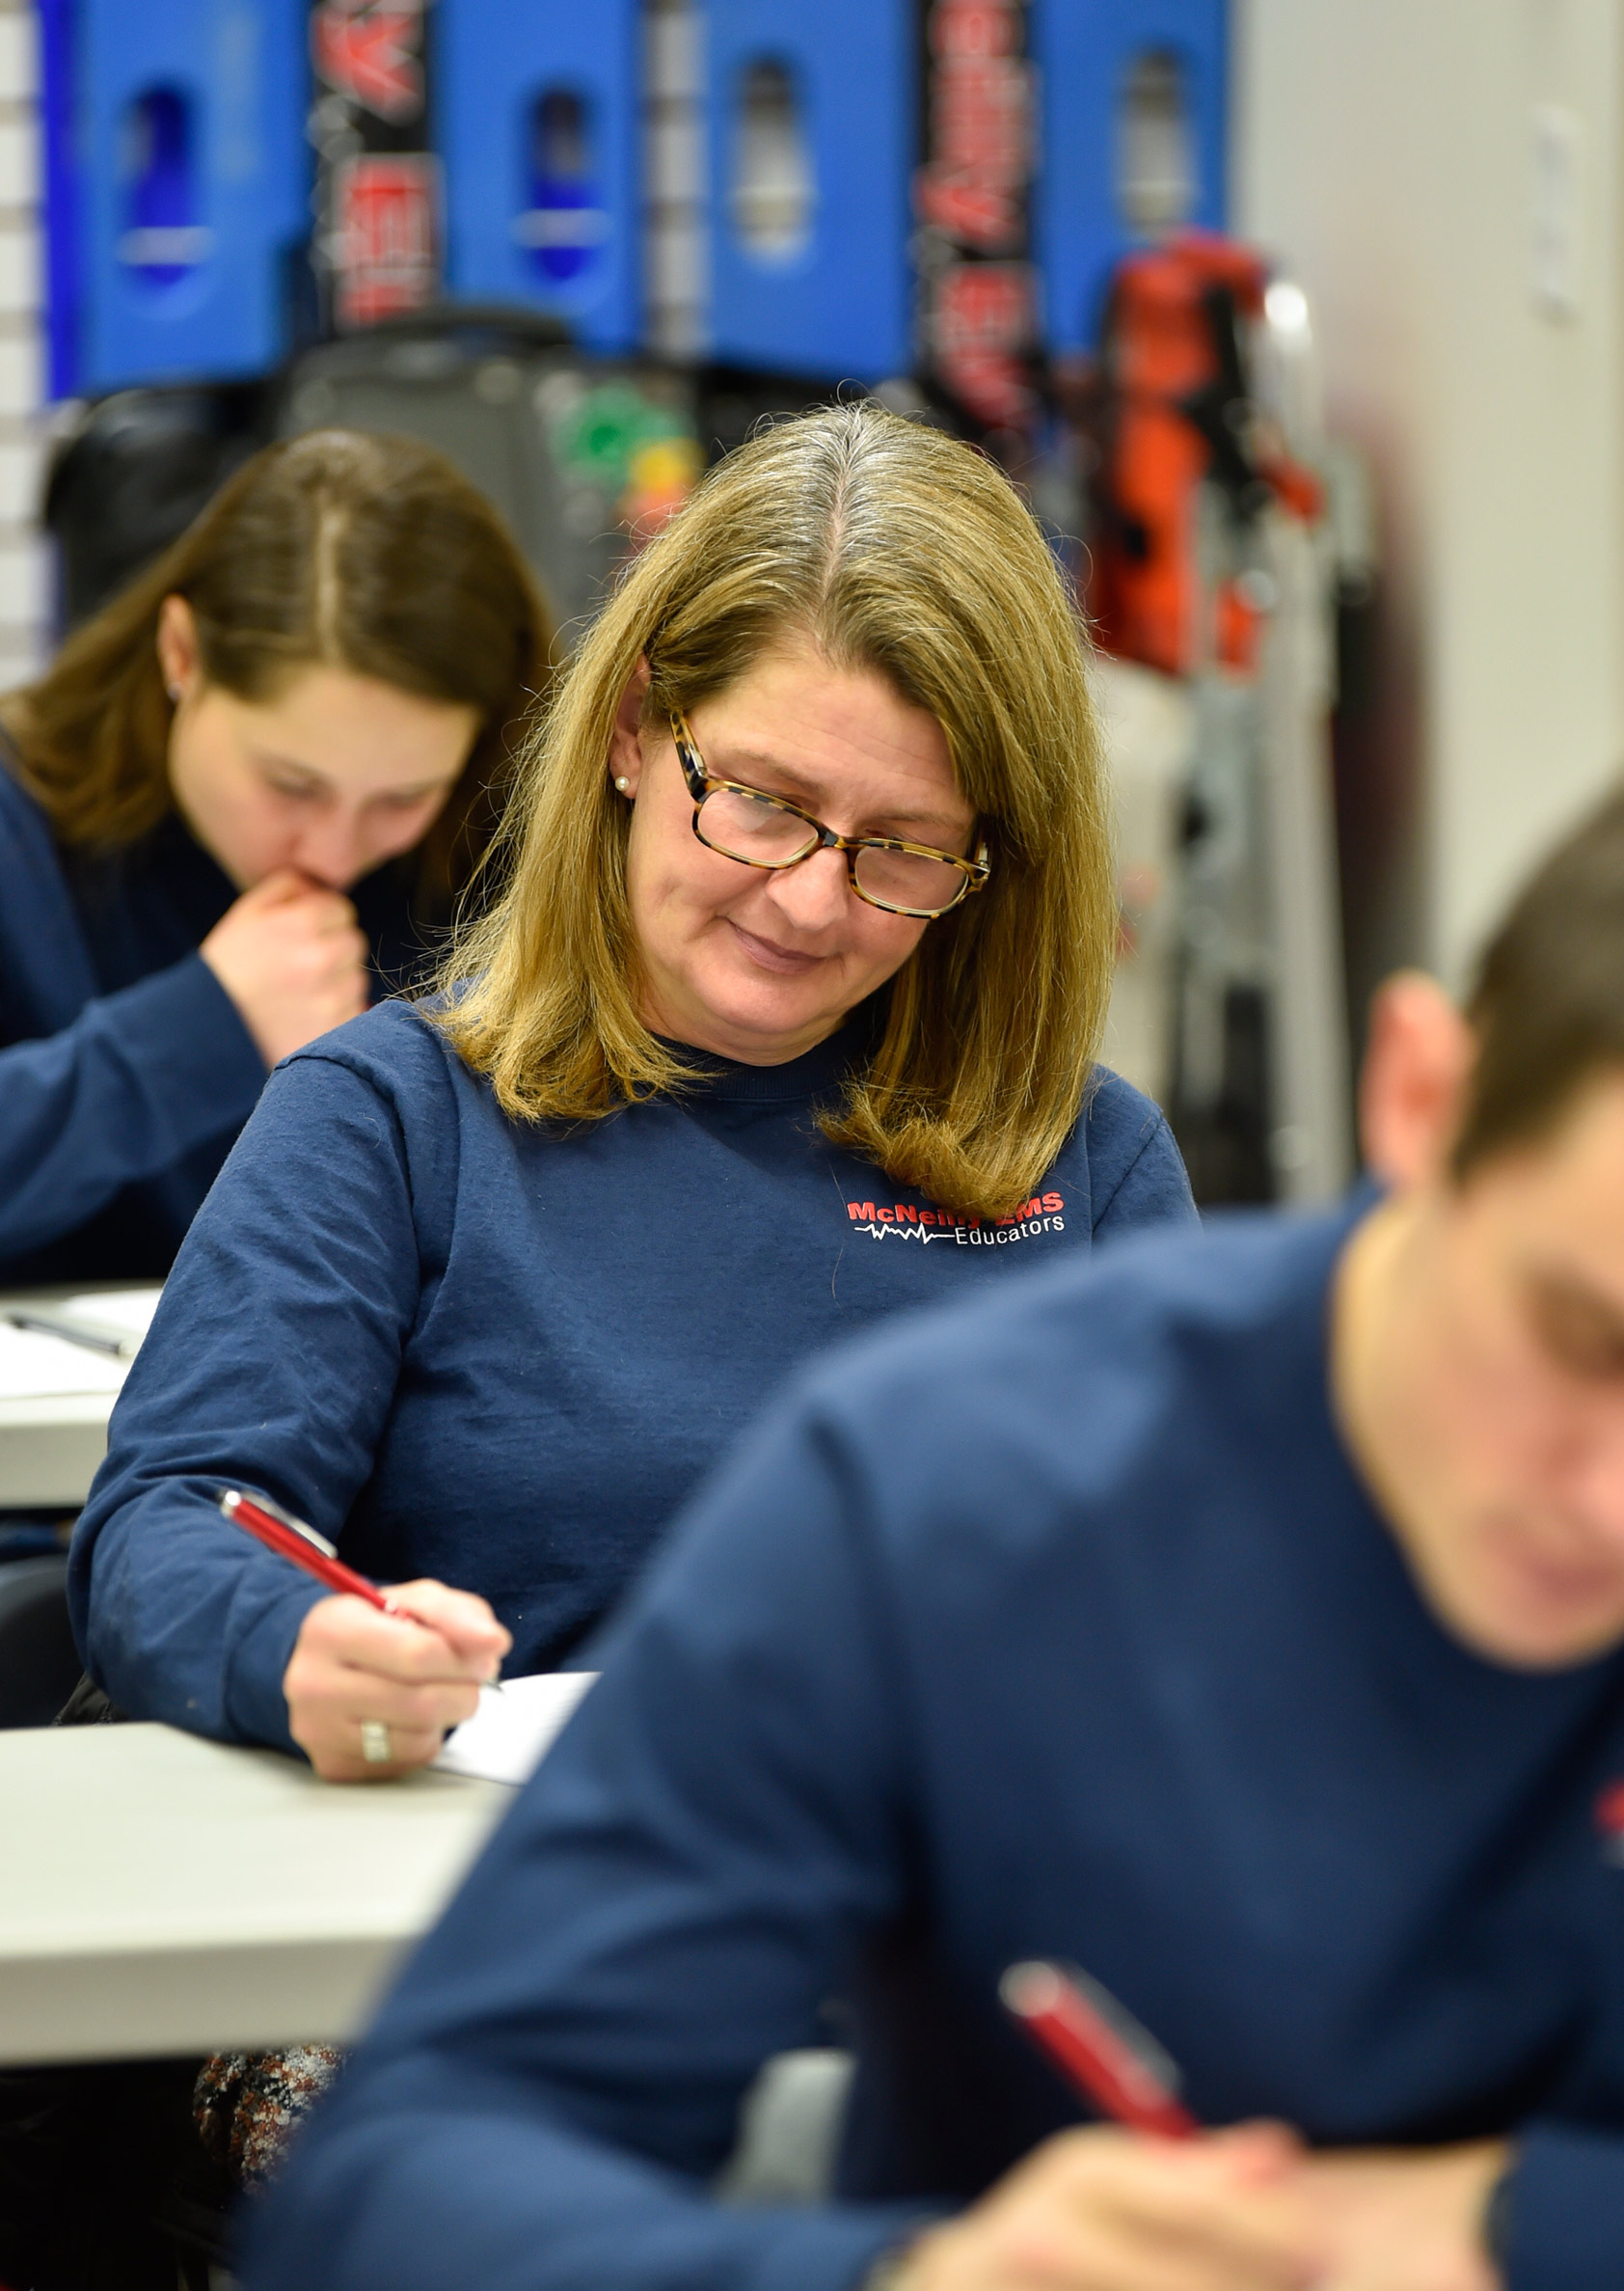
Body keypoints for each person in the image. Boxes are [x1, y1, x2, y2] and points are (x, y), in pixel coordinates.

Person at [245, 750, 1624, 2291]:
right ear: (1421, 1097)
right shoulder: (944, 1496)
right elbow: (399, 2182)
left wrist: (1509, 2228)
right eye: (1586, 1340)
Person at [66, 403, 1194, 1785]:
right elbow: (169, 1526)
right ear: (632, 731)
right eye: (765, 801)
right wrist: (304, 1642)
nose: (807, 898)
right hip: (520, 1924)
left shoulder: (1091, 1161)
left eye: (901, 849)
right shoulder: (392, 1121)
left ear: (988, 869)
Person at [0, 426, 553, 1289]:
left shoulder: (502, 854)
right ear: (181, 654)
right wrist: (194, 1034)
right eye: (292, 784)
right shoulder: (18, 825)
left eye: (402, 799)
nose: (334, 852)